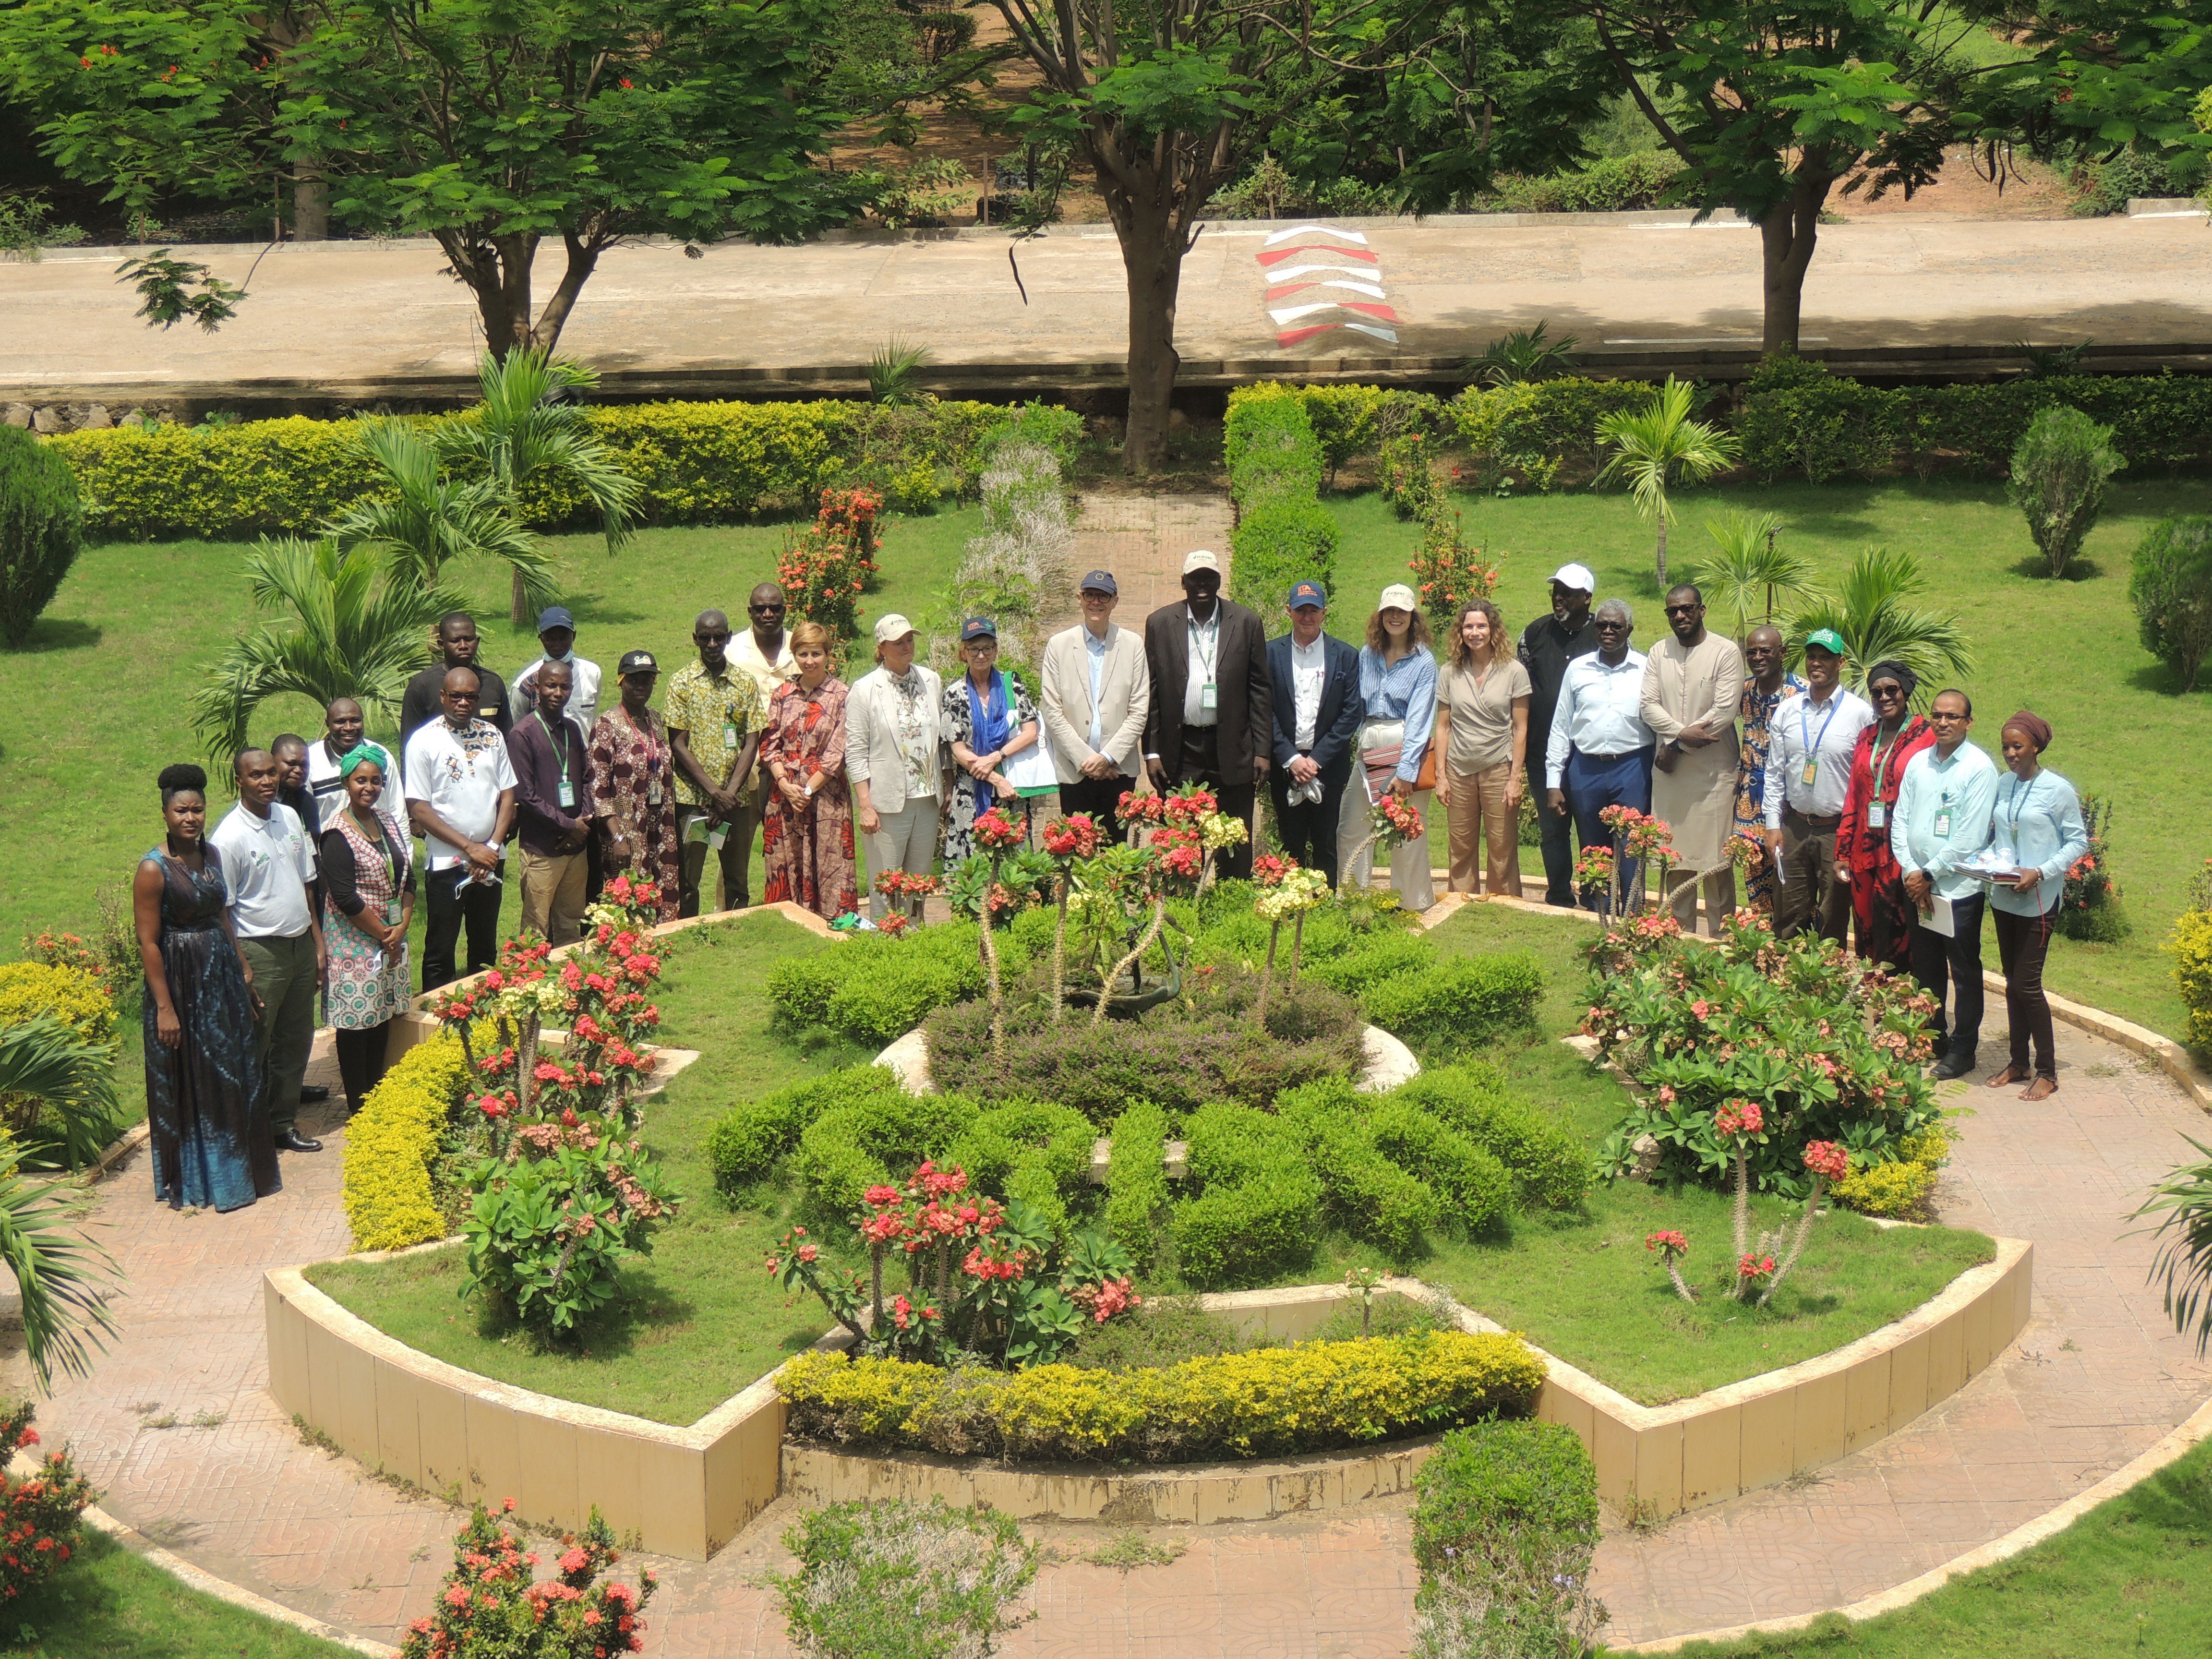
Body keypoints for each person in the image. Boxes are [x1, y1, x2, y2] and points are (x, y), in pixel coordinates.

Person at [133, 764, 281, 1213]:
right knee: (194, 1079)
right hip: (179, 982)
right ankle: (203, 1180)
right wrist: (165, 1009)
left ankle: (241, 1173)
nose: (190, 818)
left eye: (198, 810)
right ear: (166, 814)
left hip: (220, 978)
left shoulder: (214, 855)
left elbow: (222, 916)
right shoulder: (153, 869)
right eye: (182, 811)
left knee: (234, 1072)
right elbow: (148, 942)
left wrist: (242, 970)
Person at [208, 748, 327, 1154]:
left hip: (299, 946)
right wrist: (241, 965)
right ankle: (242, 1131)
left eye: (271, 774)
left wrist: (318, 942)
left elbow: (307, 884)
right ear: (239, 781)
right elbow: (222, 910)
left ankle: (281, 1123)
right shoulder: (228, 838)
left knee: (295, 1040)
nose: (268, 781)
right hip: (259, 951)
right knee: (256, 1042)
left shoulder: (289, 817)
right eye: (257, 775)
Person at [1142, 549, 1272, 880]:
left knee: (1235, 841)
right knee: (1182, 842)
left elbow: (1259, 690)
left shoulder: (1246, 622)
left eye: (1209, 577)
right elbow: (1152, 690)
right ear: (1183, 582)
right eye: (1195, 578)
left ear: (1219, 580)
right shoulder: (1159, 623)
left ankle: (1233, 908)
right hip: (1180, 749)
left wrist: (1262, 750)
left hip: (1232, 747)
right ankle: (1184, 911)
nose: (1202, 584)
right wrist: (1152, 750)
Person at [1892, 689, 2000, 1080]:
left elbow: (1969, 838)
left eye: (1952, 717)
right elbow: (1900, 821)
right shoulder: (1919, 762)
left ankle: (1964, 1049)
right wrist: (1911, 870)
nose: (1943, 722)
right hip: (1917, 885)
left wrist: (1929, 874)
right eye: (1937, 715)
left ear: (1968, 723)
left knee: (1965, 971)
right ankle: (1932, 1037)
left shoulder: (1978, 768)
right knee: (1927, 968)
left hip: (1956, 892)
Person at [1984, 711, 2089, 1100]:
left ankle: (2048, 1071)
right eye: (2006, 747)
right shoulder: (2005, 783)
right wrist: (1990, 864)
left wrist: (2042, 871)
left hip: (2039, 902)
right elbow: (2002, 832)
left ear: (2037, 747)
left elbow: (2078, 842)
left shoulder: (2057, 790)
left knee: (2028, 985)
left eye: (2018, 746)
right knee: (2012, 984)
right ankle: (2017, 1062)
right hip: (2003, 897)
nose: (2010, 754)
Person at [406, 665, 517, 990]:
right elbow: (419, 808)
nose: (464, 703)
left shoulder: (491, 735)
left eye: (471, 697)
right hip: (447, 863)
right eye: (456, 696)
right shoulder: (424, 741)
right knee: (441, 948)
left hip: (492, 858)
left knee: (484, 946)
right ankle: (436, 1021)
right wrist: (471, 849)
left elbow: (508, 794)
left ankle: (485, 1016)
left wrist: (493, 847)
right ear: (443, 697)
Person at [1640, 585, 1744, 932]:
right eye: (1672, 611)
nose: (1680, 616)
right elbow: (1648, 706)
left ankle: (1721, 942)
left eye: (1686, 609)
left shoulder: (1725, 652)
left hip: (1712, 775)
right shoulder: (1659, 652)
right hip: (1672, 778)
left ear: (1702, 610)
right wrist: (1680, 735)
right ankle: (1678, 940)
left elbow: (1725, 713)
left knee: (1716, 864)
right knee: (1676, 860)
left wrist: (1675, 747)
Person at [318, 744, 415, 1115]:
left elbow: (407, 875)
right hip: (355, 944)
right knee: (357, 1025)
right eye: (361, 780)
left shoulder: (388, 821)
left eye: (375, 781)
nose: (369, 787)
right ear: (346, 782)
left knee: (382, 1016)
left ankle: (377, 1094)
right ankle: (360, 1103)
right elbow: (343, 896)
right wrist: (384, 933)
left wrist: (402, 924)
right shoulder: (336, 833)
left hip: (390, 937)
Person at [1761, 628, 1874, 944]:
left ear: (1841, 663)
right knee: (1788, 915)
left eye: (1825, 657)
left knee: (1832, 916)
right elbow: (1774, 772)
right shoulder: (1789, 709)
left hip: (1836, 831)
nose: (1817, 663)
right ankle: (1784, 985)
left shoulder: (1860, 714)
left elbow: (1867, 779)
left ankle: (1826, 986)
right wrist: (1773, 825)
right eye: (1812, 657)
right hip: (1795, 826)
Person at [1545, 600, 1652, 917]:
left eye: (1615, 626)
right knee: (1593, 846)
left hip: (1633, 766)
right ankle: (1599, 914)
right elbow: (1561, 726)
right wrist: (1554, 781)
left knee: (1631, 845)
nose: (1608, 631)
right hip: (1586, 769)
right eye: (1602, 626)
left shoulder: (1647, 669)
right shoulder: (1578, 669)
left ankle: (1633, 915)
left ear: (1629, 630)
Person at [1339, 584, 1438, 911]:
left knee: (1405, 831)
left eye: (1403, 612)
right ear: (1381, 615)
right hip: (1369, 741)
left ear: (1413, 616)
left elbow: (1421, 718)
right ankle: (1354, 901)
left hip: (1403, 741)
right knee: (1353, 825)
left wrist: (1407, 772)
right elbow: (1355, 706)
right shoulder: (1367, 653)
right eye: (1390, 611)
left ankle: (1412, 906)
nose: (1396, 617)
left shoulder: (1424, 662)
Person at [1837, 660, 1938, 972]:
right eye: (1876, 692)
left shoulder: (1927, 736)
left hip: (1904, 851)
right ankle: (1874, 999)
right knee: (1867, 927)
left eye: (1891, 690)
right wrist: (1843, 849)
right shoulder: (1867, 735)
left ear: (1905, 692)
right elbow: (1854, 793)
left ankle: (1905, 1008)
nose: (1884, 697)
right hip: (1864, 851)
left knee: (1901, 931)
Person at [665, 609, 767, 917]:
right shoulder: (681, 682)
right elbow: (678, 744)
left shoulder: (744, 683)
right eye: (705, 638)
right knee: (688, 881)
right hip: (692, 801)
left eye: (718, 637)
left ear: (728, 637)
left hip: (734, 801)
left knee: (737, 878)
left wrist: (729, 795)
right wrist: (714, 794)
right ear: (695, 639)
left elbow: (752, 741)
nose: (712, 644)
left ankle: (737, 930)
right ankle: (689, 931)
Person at [847, 614, 947, 923]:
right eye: (898, 642)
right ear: (882, 647)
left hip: (927, 798)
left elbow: (941, 740)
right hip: (886, 803)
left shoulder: (931, 680)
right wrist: (865, 804)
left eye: (910, 639)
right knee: (885, 885)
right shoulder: (864, 689)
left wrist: (947, 785)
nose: (906, 646)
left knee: (918, 884)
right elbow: (855, 751)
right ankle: (884, 944)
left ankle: (915, 940)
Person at [1040, 571, 1151, 844]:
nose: (1096, 602)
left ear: (1115, 601)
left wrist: (1108, 758)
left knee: (1117, 856)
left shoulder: (1133, 645)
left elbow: (1139, 711)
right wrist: (1087, 760)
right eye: (1090, 595)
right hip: (1075, 771)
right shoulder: (1059, 645)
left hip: (1119, 771)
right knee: (1077, 852)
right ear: (1080, 599)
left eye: (1103, 596)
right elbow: (1052, 712)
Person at [1266, 581, 1363, 887]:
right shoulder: (1270, 654)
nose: (1307, 617)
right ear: (1289, 612)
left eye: (1313, 610)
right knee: (1290, 844)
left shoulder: (1345, 655)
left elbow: (1351, 713)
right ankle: (1289, 907)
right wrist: (1291, 757)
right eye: (1300, 610)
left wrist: (1317, 759)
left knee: (1326, 845)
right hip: (1286, 764)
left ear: (1324, 613)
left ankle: (1324, 909)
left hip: (1328, 767)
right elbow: (1262, 711)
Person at [760, 620, 859, 920]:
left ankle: (835, 930)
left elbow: (837, 752)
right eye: (803, 654)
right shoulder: (782, 694)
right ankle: (788, 931)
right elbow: (769, 744)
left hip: (826, 798)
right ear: (795, 656)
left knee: (831, 869)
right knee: (786, 864)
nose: (810, 661)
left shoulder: (843, 695)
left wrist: (806, 790)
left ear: (828, 654)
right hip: (784, 797)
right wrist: (784, 783)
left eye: (816, 653)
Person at [1433, 598, 1529, 897]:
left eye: (1481, 626)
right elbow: (1443, 726)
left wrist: (1515, 778)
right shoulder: (1450, 672)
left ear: (1493, 630)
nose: (1475, 632)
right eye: (1468, 626)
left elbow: (1521, 728)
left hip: (1499, 768)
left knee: (1502, 845)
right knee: (1460, 844)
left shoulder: (1514, 671)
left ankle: (1505, 903)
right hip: (1459, 769)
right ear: (1460, 632)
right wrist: (1441, 775)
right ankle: (1461, 901)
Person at [1519, 564, 1600, 906]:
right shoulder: (1535, 633)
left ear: (1587, 598)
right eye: (1556, 592)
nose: (1559, 599)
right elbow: (1519, 688)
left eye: (1568, 593)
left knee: (1591, 829)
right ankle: (1559, 896)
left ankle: (1596, 896)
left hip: (1589, 756)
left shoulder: (1605, 634)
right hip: (1542, 753)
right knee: (1553, 832)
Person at [589, 650, 681, 923]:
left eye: (647, 679)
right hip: (625, 823)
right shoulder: (607, 725)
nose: (641, 686)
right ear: (621, 682)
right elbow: (599, 788)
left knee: (663, 888)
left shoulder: (655, 719)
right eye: (634, 680)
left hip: (661, 822)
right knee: (628, 895)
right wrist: (618, 837)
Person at [509, 659, 596, 944]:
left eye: (565, 687)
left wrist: (582, 823)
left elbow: (586, 778)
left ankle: (568, 983)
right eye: (551, 686)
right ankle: (531, 985)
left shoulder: (572, 729)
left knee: (572, 922)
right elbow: (526, 795)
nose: (558, 693)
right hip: (542, 849)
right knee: (536, 928)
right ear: (537, 687)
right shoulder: (523, 734)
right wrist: (569, 824)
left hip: (575, 847)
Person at [942, 618, 1044, 863]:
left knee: (1014, 867)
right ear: (963, 653)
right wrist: (996, 778)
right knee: (971, 868)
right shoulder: (954, 694)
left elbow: (1031, 732)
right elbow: (958, 750)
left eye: (987, 648)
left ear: (996, 651)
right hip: (971, 791)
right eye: (974, 649)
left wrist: (997, 758)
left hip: (1012, 789)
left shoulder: (1012, 684)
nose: (981, 655)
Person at [1732, 626, 1804, 914]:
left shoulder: (1802, 693)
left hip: (1788, 801)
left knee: (1791, 874)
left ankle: (1797, 942)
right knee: (1754, 875)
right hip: (1749, 799)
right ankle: (1763, 942)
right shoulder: (1745, 690)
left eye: (1766, 651)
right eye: (1752, 652)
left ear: (1782, 653)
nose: (1758, 657)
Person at [400, 613, 511, 747]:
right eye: (455, 641)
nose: (463, 645)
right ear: (441, 645)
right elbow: (409, 744)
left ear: (478, 641)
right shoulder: (422, 686)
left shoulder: (494, 684)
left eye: (469, 639)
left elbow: (507, 739)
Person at [306, 697, 408, 832]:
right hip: (332, 849)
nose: (348, 728)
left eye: (355, 721)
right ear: (328, 724)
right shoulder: (310, 761)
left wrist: (404, 850)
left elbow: (398, 812)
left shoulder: (382, 757)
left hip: (380, 848)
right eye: (340, 722)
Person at [512, 606, 603, 734]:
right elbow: (517, 730)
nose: (557, 644)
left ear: (574, 636)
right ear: (541, 638)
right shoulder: (525, 684)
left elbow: (591, 720)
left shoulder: (592, 674)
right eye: (550, 638)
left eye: (563, 638)